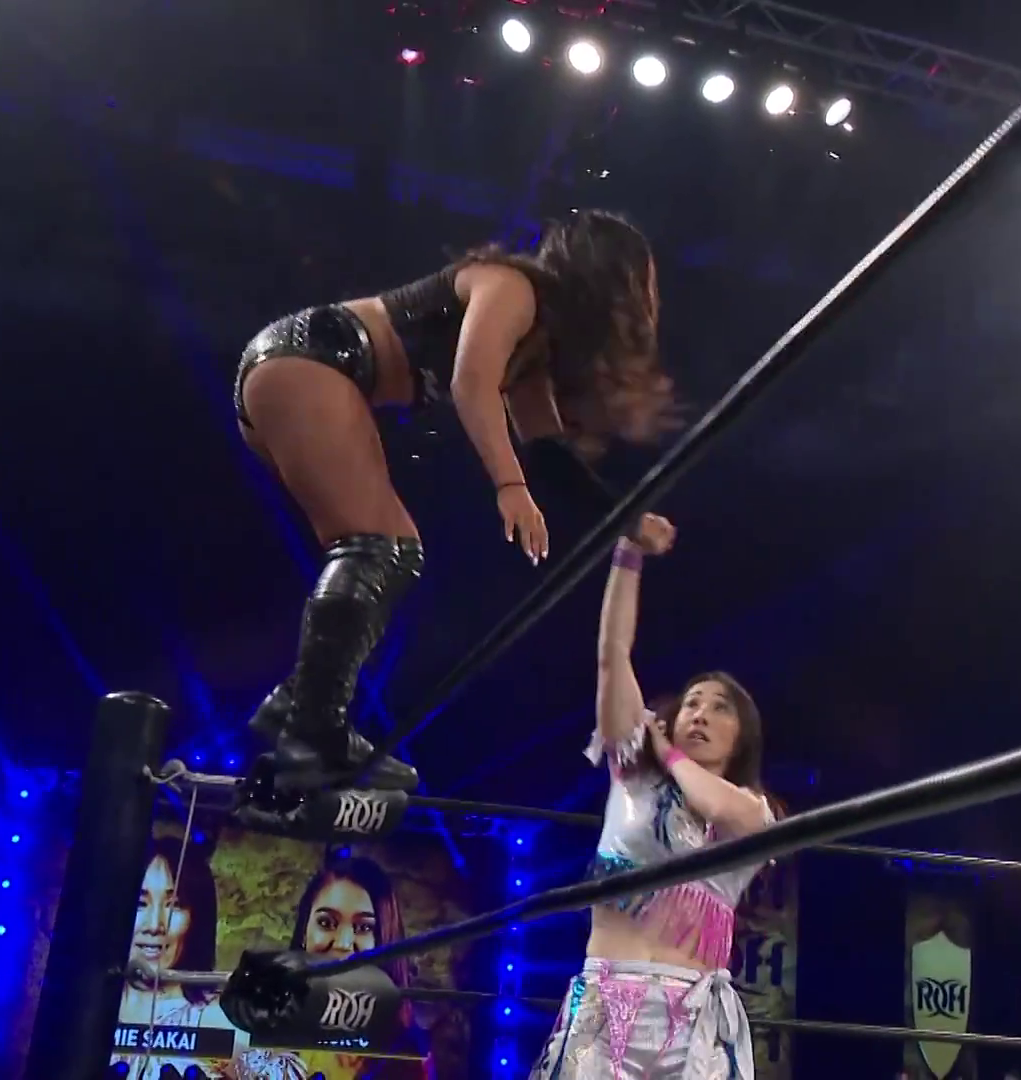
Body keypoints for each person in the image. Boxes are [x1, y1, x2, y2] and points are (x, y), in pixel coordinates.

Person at [235, 211, 676, 793]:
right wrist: (509, 487)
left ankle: (301, 707)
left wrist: (628, 518)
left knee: (388, 552)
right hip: (309, 361)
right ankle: (310, 731)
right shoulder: (511, 286)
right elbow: (472, 382)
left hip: (302, 373)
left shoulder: (534, 347)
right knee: (381, 548)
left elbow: (547, 452)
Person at [531, 514, 779, 1080]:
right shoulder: (633, 774)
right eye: (692, 702)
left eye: (719, 708)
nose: (700, 714)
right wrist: (628, 554)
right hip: (605, 998)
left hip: (692, 1020)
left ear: (743, 736)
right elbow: (612, 655)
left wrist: (668, 752)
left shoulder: (753, 810)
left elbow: (717, 807)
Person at [231, 855, 428, 1080]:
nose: (343, 943)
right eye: (326, 923)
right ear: (304, 932)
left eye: (363, 927)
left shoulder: (406, 1049)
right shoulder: (259, 1013)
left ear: (385, 938)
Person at [115, 836, 238, 1080]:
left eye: (175, 905)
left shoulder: (218, 1019)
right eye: (140, 903)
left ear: (196, 917)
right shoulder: (83, 1013)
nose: (155, 925)